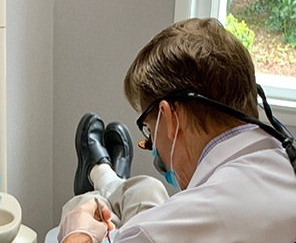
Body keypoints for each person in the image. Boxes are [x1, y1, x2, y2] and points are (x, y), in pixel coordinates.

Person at [58, 18, 296, 242]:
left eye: (150, 132)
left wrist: (76, 234)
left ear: (169, 117)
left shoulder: (156, 231)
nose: (155, 151)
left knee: (85, 203)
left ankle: (101, 178)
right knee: (146, 190)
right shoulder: (283, 161)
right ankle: (110, 178)